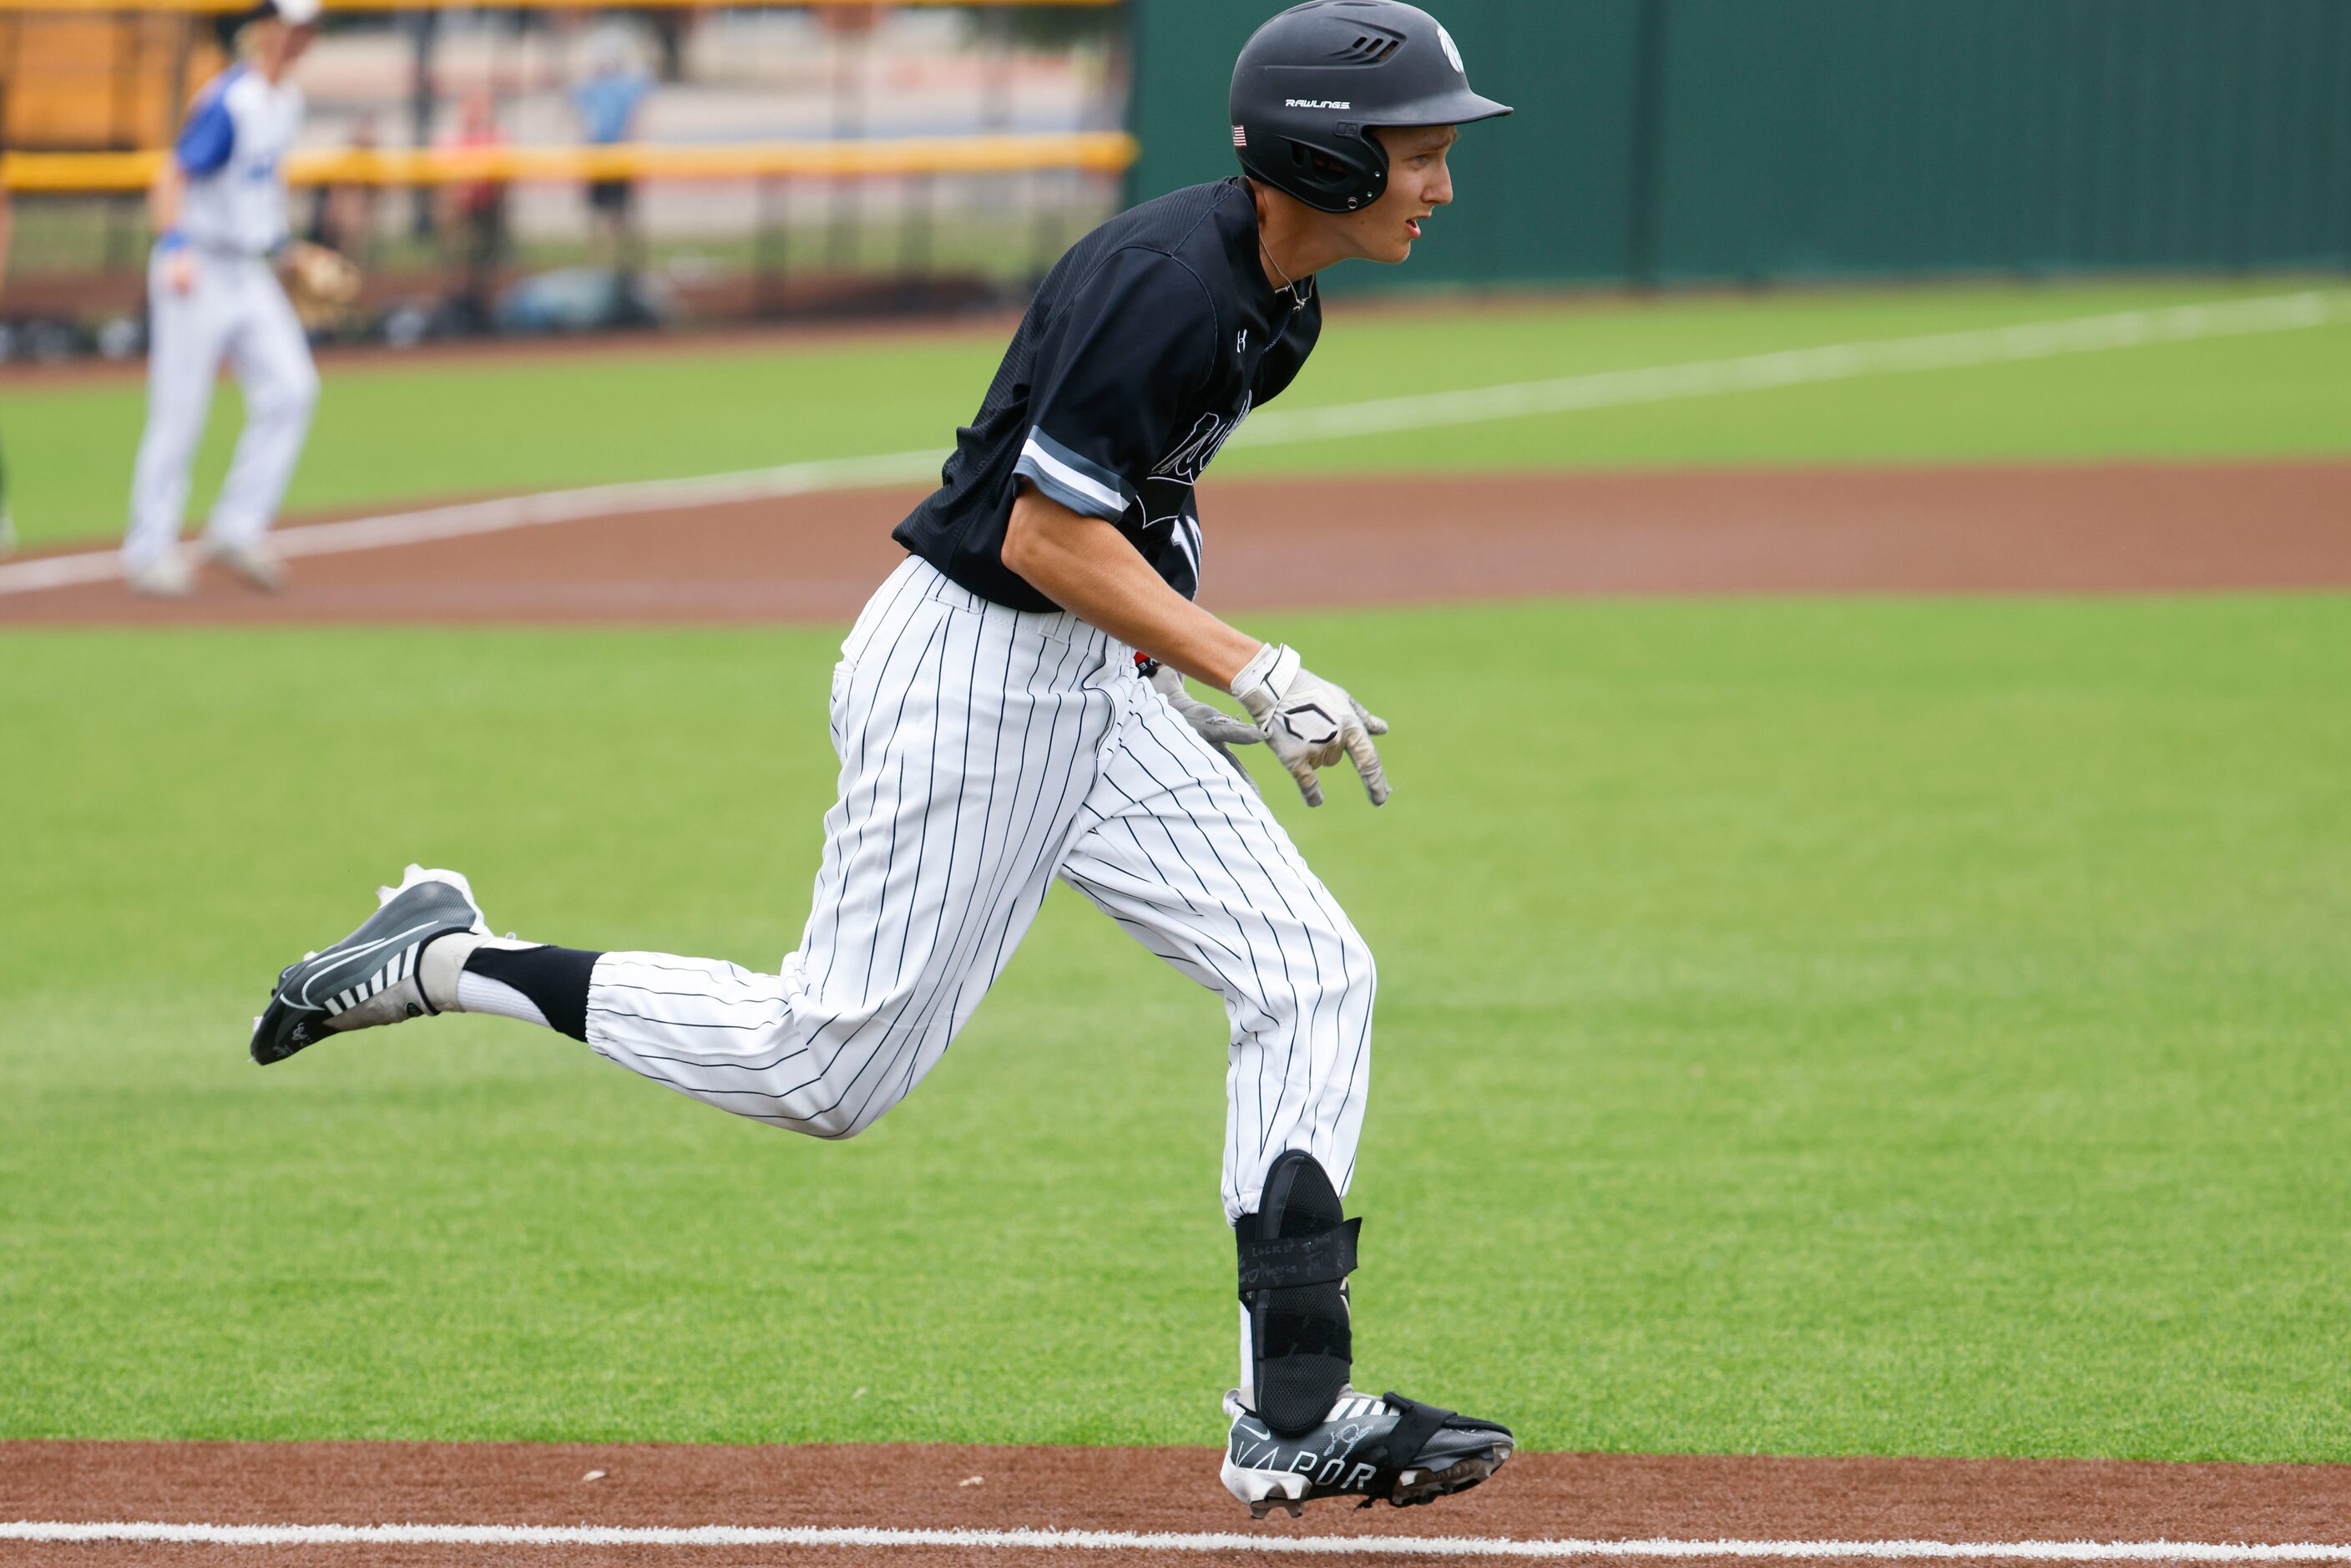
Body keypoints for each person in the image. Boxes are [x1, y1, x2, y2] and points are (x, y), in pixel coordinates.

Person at [249, 0, 1514, 1519]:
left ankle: (1292, 1405)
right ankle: (452, 953)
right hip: (970, 681)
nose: (1439, 183)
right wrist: (1250, 662)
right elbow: (1045, 533)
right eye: (1418, 152)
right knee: (823, 1068)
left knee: (1313, 973)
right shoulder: (1171, 282)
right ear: (1324, 149)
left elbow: (1139, 508)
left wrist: (1155, 672)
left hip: (1078, 680)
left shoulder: (1279, 302)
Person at [122, 0, 326, 596]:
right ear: (266, 29)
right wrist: (177, 244)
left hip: (248, 269)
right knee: (180, 410)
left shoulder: (286, 102)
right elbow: (170, 176)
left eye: (307, 30)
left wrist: (286, 251)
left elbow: (258, 188)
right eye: (291, 27)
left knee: (293, 388)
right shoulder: (231, 100)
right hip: (199, 264)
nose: (298, 39)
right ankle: (148, 550)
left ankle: (237, 525)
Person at [569, 23, 651, 320]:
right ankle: (599, 274)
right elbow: (579, 118)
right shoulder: (589, 87)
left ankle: (628, 275)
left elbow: (637, 116)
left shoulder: (628, 84)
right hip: (597, 158)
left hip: (619, 158)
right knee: (598, 220)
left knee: (624, 218)